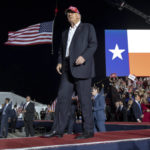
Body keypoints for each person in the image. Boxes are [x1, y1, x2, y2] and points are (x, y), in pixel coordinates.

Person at [46, 6, 97, 139]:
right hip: (67, 68)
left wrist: (84, 56)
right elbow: (61, 51)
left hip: (82, 67)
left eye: (72, 13)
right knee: (62, 98)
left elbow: (93, 44)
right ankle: (57, 130)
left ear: (78, 15)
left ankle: (88, 130)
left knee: (84, 100)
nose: (69, 15)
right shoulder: (64, 33)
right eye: (68, 13)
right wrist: (59, 61)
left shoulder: (87, 27)